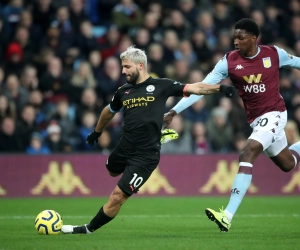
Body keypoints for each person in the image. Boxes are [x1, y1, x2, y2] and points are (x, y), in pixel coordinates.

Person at [61, 45, 235, 234]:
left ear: (140, 65)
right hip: (124, 147)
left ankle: (88, 229)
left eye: (127, 67)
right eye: (122, 67)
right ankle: (155, 136)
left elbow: (195, 87)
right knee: (111, 171)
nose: (123, 71)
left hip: (145, 156)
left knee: (118, 196)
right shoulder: (123, 91)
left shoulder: (162, 86)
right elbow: (108, 111)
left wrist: (220, 88)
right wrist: (97, 131)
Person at [163, 18, 300, 232]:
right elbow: (202, 88)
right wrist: (173, 111)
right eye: (234, 37)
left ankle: (227, 215)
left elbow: (298, 62)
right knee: (288, 164)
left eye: (241, 37)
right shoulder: (228, 61)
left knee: (247, 153)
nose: (236, 41)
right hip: (256, 121)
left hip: (275, 114)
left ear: (254, 39)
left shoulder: (274, 54)